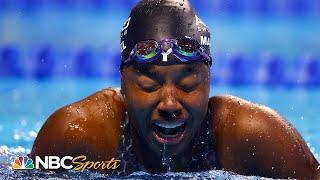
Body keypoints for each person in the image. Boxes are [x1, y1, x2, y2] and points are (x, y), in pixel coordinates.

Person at [31, 0, 320, 179]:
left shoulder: (251, 136)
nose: (170, 102)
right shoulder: (77, 136)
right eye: (150, 83)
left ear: (209, 80)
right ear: (123, 84)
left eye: (187, 83)